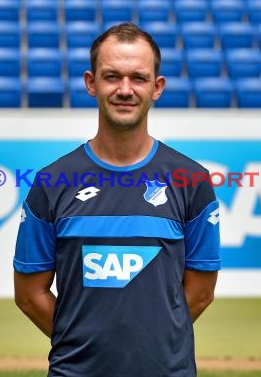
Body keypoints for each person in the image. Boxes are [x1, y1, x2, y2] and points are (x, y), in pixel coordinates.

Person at [14, 22, 221, 376]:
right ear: (91, 83)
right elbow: (30, 295)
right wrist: (87, 346)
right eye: (112, 77)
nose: (125, 90)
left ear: (157, 88)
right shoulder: (52, 183)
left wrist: (153, 344)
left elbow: (200, 293)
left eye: (138, 78)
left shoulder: (192, 181)